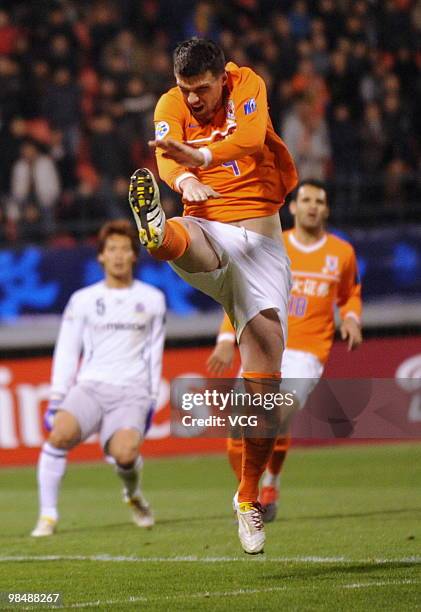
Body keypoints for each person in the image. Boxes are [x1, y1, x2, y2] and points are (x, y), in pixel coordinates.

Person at [128, 38, 297, 554]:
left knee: (265, 391)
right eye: (187, 90)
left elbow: (248, 140)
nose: (194, 100)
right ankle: (158, 233)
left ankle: (247, 497)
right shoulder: (169, 104)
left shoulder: (248, 84)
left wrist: (198, 155)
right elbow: (165, 158)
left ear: (221, 76)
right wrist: (181, 176)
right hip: (212, 233)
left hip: (264, 248)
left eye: (202, 89)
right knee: (183, 235)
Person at [208, 179, 363, 521]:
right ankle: (252, 493)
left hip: (306, 352)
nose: (312, 206)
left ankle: (268, 482)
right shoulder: (271, 246)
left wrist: (350, 318)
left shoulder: (342, 253)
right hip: (264, 345)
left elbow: (350, 292)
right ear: (291, 207)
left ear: (326, 209)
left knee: (274, 415)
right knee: (240, 427)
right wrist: (224, 341)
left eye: (319, 201)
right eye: (305, 199)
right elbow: (241, 294)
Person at [31, 219, 166, 537]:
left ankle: (132, 495)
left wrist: (149, 401)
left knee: (126, 454)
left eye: (125, 249)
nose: (118, 255)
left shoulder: (152, 299)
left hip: (132, 390)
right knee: (59, 435)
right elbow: (67, 349)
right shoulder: (83, 300)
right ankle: (47, 516)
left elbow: (154, 355)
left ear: (135, 255)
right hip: (90, 386)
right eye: (112, 249)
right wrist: (57, 397)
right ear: (101, 257)